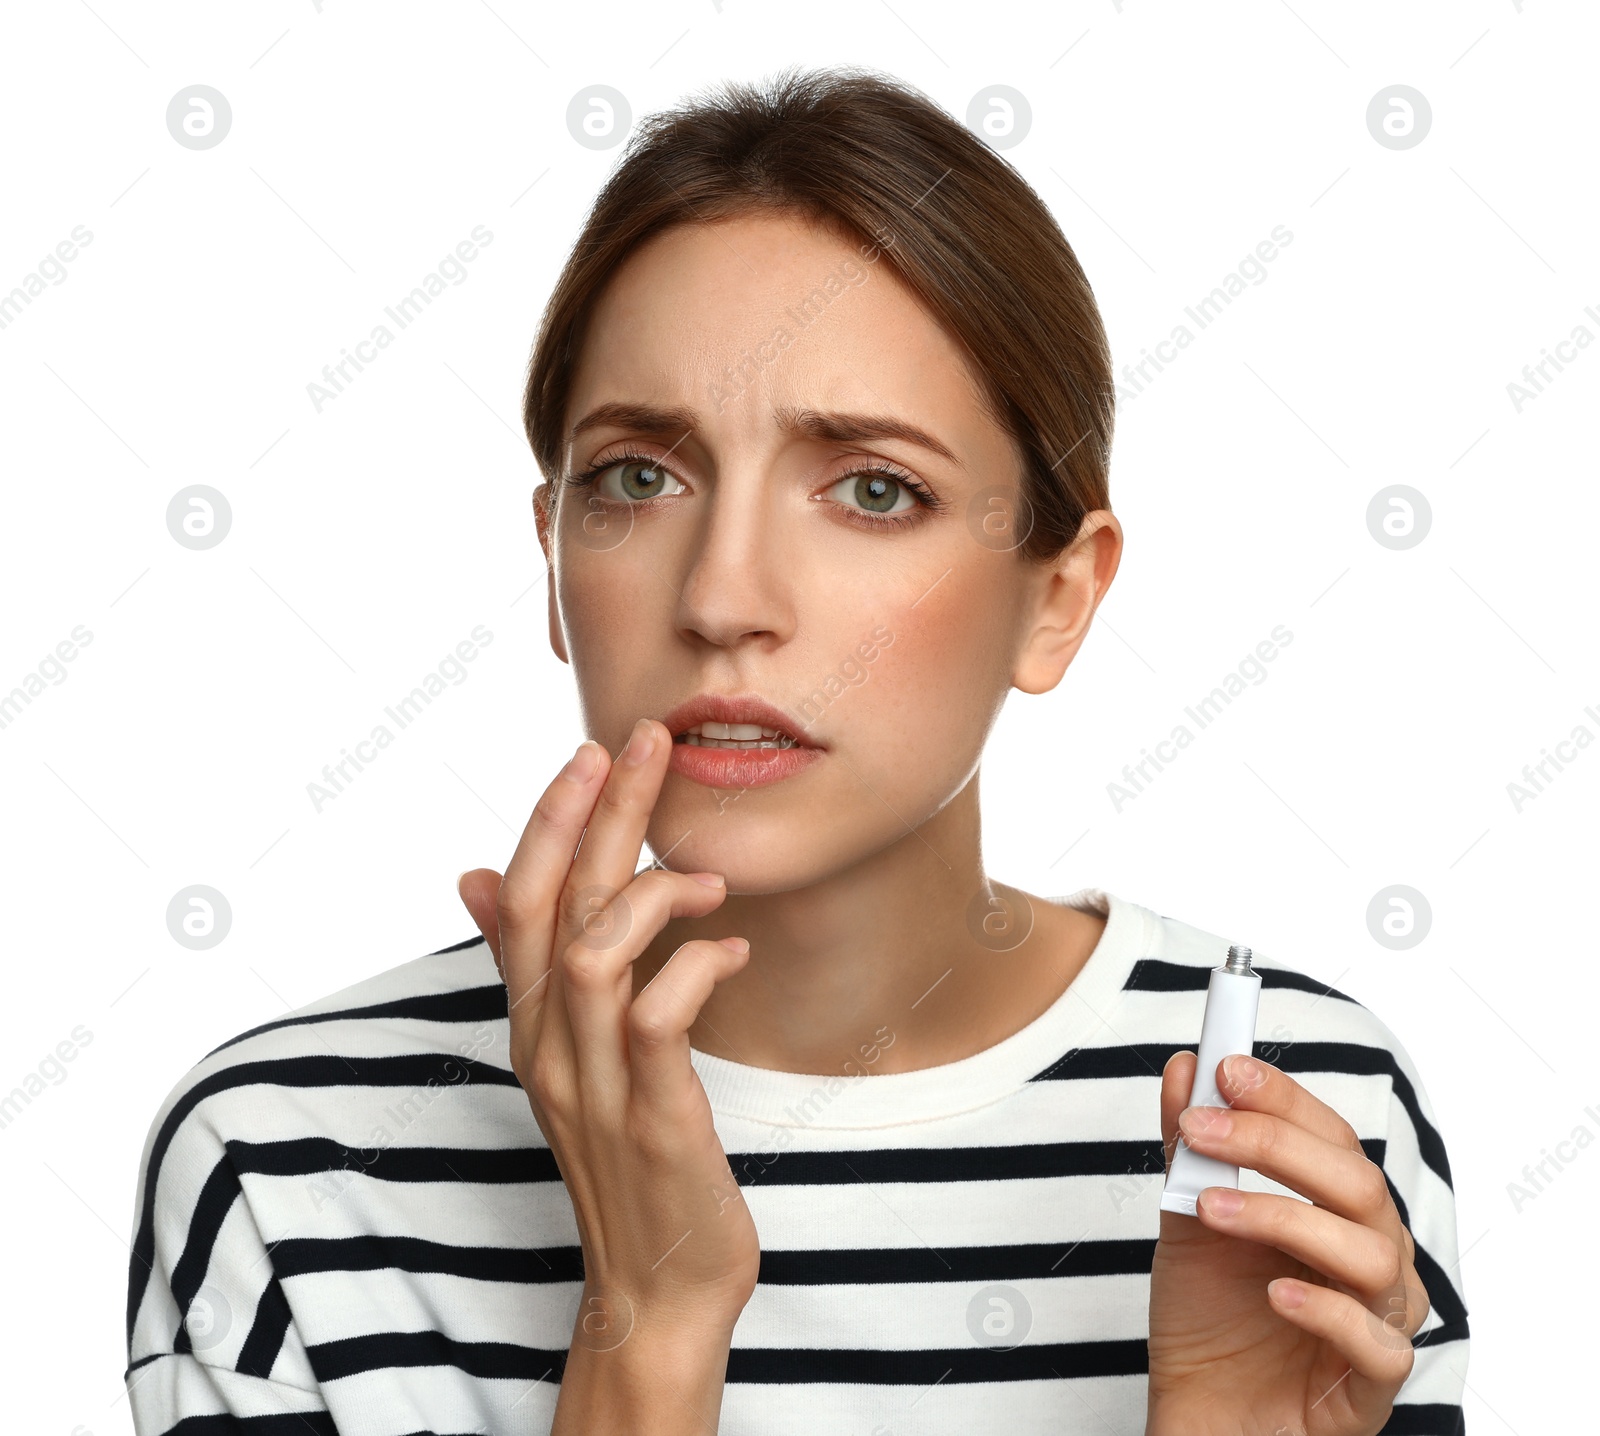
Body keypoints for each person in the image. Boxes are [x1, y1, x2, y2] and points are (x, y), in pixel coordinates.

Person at [123, 66, 1470, 1435]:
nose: (721, 598)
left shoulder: (1296, 1114)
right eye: (639, 478)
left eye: (873, 490)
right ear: (551, 557)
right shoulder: (290, 1157)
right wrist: (643, 1330)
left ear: (1057, 596)